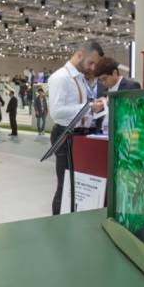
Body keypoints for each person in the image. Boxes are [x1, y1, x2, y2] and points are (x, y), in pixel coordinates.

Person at [48, 40, 106, 215]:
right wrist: (88, 107)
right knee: (64, 186)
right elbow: (56, 112)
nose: (92, 67)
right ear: (80, 55)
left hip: (79, 136)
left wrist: (93, 106)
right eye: (91, 62)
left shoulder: (79, 78)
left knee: (75, 185)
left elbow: (78, 109)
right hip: (65, 135)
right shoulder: (61, 77)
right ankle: (57, 225)